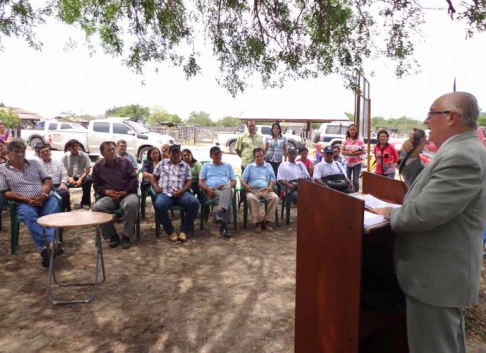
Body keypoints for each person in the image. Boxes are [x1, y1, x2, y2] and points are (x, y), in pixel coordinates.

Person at [374, 92, 486, 353]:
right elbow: (429, 188)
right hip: (439, 274)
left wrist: (390, 214)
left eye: (431, 113)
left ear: (452, 117)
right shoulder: (460, 150)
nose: (425, 121)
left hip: (436, 276)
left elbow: (422, 214)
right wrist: (413, 158)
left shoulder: (463, 156)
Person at [0, 141, 60, 267]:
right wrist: (26, 199)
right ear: (8, 154)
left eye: (22, 151)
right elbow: (5, 192)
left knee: (53, 211)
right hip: (24, 202)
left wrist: (43, 196)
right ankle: (51, 243)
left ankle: (46, 249)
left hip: (45, 199)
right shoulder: (2, 169)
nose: (20, 154)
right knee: (29, 216)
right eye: (16, 151)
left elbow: (47, 180)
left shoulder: (34, 163)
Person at [92, 141, 139, 250]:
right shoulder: (98, 166)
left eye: (113, 149)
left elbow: (134, 180)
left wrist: (126, 191)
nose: (112, 151)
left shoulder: (125, 162)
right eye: (109, 150)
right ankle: (113, 235)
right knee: (97, 208)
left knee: (132, 204)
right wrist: (106, 192)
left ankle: (127, 236)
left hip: (126, 194)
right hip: (110, 197)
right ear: (102, 153)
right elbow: (96, 184)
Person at [152, 144, 200, 242]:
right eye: (173, 152)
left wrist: (183, 190)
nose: (175, 154)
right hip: (165, 193)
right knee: (159, 204)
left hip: (180, 193)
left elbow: (189, 181)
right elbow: (154, 177)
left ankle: (184, 231)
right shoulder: (162, 163)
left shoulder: (185, 166)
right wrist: (156, 187)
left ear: (180, 153)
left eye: (177, 152)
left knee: (195, 202)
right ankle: (170, 231)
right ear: (169, 153)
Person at [199, 146, 236, 238]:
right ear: (211, 156)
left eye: (220, 153)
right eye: (216, 154)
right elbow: (200, 182)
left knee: (228, 188)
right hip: (212, 191)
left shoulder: (228, 166)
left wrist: (227, 185)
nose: (219, 155)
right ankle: (224, 227)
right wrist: (207, 189)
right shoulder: (206, 166)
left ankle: (219, 213)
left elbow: (234, 181)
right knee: (228, 203)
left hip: (225, 189)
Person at [241, 147, 279, 233]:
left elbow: (273, 178)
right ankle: (257, 222)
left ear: (264, 156)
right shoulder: (249, 167)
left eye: (261, 156)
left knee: (275, 198)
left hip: (265, 189)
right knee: (251, 198)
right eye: (257, 156)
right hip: (252, 190)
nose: (259, 158)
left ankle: (267, 221)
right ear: (254, 157)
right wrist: (246, 186)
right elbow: (243, 179)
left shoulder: (268, 166)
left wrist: (270, 186)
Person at [35, 144, 71, 212]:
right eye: (42, 152)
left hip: (58, 186)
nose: (45, 153)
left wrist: (63, 183)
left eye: (47, 151)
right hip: (44, 188)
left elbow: (64, 173)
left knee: (64, 192)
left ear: (50, 152)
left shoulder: (58, 162)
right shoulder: (37, 165)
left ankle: (63, 212)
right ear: (39, 155)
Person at [61, 139, 93, 209]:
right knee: (63, 185)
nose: (75, 148)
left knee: (88, 180)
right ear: (69, 148)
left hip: (81, 176)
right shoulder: (64, 156)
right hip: (68, 177)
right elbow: (62, 170)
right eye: (73, 146)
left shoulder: (84, 155)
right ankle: (66, 205)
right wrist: (69, 179)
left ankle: (85, 203)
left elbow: (88, 169)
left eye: (76, 146)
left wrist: (81, 179)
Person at [342, 124, 364, 192]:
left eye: (354, 129)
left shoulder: (360, 139)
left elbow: (362, 151)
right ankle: (348, 193)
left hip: (357, 163)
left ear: (356, 130)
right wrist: (354, 153)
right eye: (351, 129)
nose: (352, 131)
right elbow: (342, 152)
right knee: (347, 179)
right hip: (347, 163)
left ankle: (356, 193)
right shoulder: (345, 139)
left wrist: (350, 153)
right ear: (348, 130)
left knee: (355, 180)